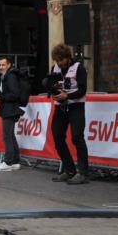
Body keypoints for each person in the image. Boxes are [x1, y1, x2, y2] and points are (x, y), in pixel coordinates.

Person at [43, 44, 89, 184]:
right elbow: (52, 85)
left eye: (61, 60)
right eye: (56, 61)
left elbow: (82, 90)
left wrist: (67, 96)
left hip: (76, 106)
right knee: (57, 137)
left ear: (68, 58)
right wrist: (51, 89)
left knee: (77, 137)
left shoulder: (79, 68)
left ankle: (83, 173)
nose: (59, 63)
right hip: (60, 107)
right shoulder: (55, 68)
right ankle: (69, 170)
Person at [0, 56, 24, 172]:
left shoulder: (10, 76)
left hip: (10, 110)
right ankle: (15, 161)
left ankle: (8, 162)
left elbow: (15, 94)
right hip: (8, 109)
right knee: (10, 135)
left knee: (7, 136)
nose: (1, 67)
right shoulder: (5, 76)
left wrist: (1, 97)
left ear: (9, 65)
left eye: (3, 65)